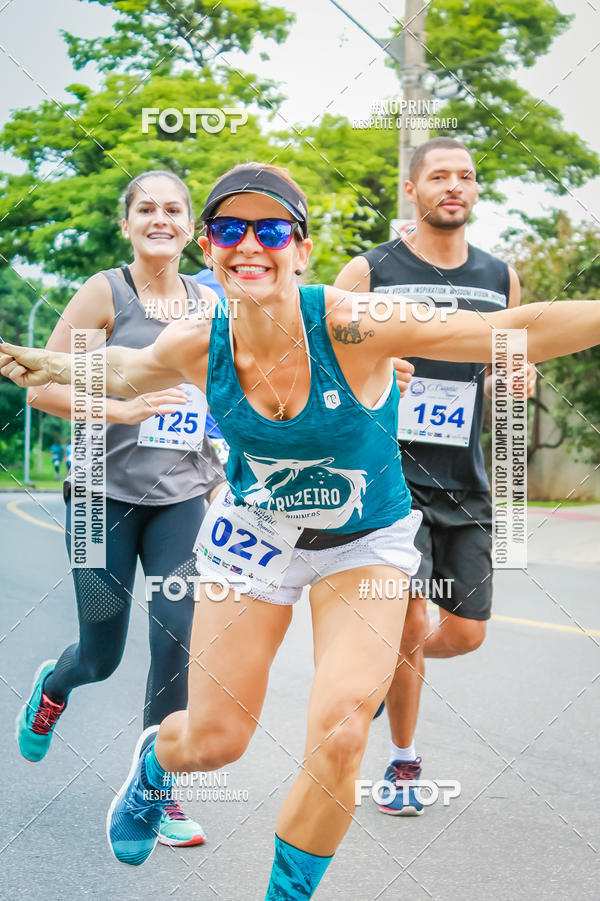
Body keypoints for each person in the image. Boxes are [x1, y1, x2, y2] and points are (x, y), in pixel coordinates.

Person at [2, 162, 600, 899]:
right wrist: (57, 363)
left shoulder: (352, 322)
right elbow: (132, 366)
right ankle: (156, 763)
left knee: (343, 730)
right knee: (215, 741)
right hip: (254, 533)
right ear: (209, 248)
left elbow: (509, 329)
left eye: (273, 229)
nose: (250, 243)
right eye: (229, 228)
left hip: (364, 543)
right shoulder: (199, 342)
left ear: (303, 248)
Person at [14, 170, 224, 849]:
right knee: (100, 654)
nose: (160, 219)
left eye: (173, 209)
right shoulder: (106, 293)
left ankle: (157, 791)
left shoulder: (210, 303)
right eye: (146, 209)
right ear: (126, 224)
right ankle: (55, 686)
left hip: (180, 497)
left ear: (190, 229)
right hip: (98, 499)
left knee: (176, 638)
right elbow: (41, 388)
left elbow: (228, 390)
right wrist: (123, 410)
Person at [335, 136, 536, 814]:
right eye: (440, 175)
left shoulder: (500, 277)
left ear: (475, 191)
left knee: (466, 631)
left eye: (466, 177)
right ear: (412, 189)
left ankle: (382, 667)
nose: (455, 186)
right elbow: (320, 359)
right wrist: (370, 376)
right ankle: (403, 763)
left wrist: (516, 380)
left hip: (464, 480)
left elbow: (502, 371)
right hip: (389, 479)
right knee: (410, 611)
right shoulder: (370, 270)